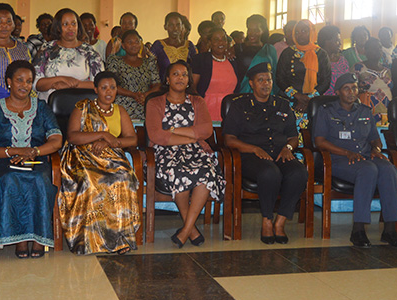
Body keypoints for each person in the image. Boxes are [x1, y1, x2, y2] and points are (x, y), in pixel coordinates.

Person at [313, 73, 397, 249]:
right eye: (346, 88)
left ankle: (390, 230)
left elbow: (374, 138)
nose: (351, 92)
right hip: (338, 159)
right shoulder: (326, 111)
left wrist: (377, 149)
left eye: (354, 88)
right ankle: (358, 230)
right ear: (338, 91)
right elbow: (320, 141)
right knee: (368, 170)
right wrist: (345, 152)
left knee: (389, 169)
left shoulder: (364, 111)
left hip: (364, 156)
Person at [0, 60, 63, 257]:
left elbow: (56, 139)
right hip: (4, 160)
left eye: (29, 81)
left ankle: (37, 238)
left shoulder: (41, 107)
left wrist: (34, 151)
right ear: (9, 81)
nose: (24, 86)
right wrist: (14, 151)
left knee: (39, 180)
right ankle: (20, 239)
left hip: (37, 159)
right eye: (19, 80)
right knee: (10, 180)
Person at [224, 62, 307, 244]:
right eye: (260, 80)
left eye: (268, 80)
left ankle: (280, 221)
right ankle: (267, 221)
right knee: (270, 172)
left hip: (280, 154)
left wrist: (289, 148)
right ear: (251, 83)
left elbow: (294, 137)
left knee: (299, 172)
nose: (265, 84)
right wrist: (254, 148)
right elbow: (229, 139)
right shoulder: (239, 106)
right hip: (250, 157)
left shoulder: (283, 105)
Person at [145, 61, 225, 248]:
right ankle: (192, 230)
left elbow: (205, 130)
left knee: (207, 172)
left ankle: (185, 230)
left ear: (189, 80)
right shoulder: (155, 102)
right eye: (175, 74)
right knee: (179, 172)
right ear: (167, 78)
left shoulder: (197, 101)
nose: (180, 78)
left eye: (184, 74)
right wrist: (190, 136)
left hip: (196, 151)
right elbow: (157, 135)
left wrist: (172, 130)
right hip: (164, 152)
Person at [60, 71, 140, 254]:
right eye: (104, 88)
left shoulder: (120, 110)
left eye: (112, 87)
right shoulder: (82, 107)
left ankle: (118, 239)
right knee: (91, 181)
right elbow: (72, 136)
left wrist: (111, 142)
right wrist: (102, 134)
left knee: (123, 178)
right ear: (96, 89)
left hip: (111, 157)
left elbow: (132, 139)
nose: (109, 91)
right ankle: (89, 241)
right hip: (81, 156)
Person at [276, 19, 332, 136]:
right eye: (297, 32)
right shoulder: (287, 53)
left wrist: (308, 99)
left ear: (312, 32)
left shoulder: (321, 54)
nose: (300, 34)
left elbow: (325, 81)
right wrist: (297, 96)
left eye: (304, 31)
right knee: (288, 136)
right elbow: (280, 78)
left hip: (313, 104)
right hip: (289, 102)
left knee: (310, 138)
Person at [33, 7, 102, 101]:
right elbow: (35, 83)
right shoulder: (46, 49)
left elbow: (100, 83)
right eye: (65, 24)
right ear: (58, 27)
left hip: (82, 108)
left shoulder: (89, 51)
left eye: (74, 24)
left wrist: (74, 84)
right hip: (48, 108)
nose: (70, 28)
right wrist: (61, 79)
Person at [104, 29, 160, 121]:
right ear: (123, 45)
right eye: (130, 42)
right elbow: (111, 85)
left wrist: (145, 95)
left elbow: (157, 85)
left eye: (137, 42)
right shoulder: (114, 61)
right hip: (123, 102)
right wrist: (133, 95)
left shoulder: (149, 62)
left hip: (144, 102)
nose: (134, 45)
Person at [192, 27, 242, 121]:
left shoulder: (233, 60)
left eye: (223, 39)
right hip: (206, 112)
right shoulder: (200, 60)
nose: (221, 42)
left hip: (230, 113)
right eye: (216, 40)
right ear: (210, 43)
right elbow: (193, 88)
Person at [150, 11, 197, 78]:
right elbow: (150, 68)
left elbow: (195, 68)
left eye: (178, 25)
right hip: (164, 86)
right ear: (165, 27)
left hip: (185, 86)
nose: (175, 29)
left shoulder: (189, 45)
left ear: (182, 26)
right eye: (171, 25)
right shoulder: (158, 45)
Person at [353, 37, 393, 116]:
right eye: (374, 48)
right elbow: (353, 90)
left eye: (379, 47)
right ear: (366, 51)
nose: (378, 50)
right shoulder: (359, 68)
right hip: (368, 113)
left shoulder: (387, 69)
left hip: (387, 113)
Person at [317, 25, 350, 95]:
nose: (340, 44)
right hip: (321, 101)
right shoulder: (316, 61)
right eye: (337, 41)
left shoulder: (343, 61)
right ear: (326, 41)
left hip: (340, 101)